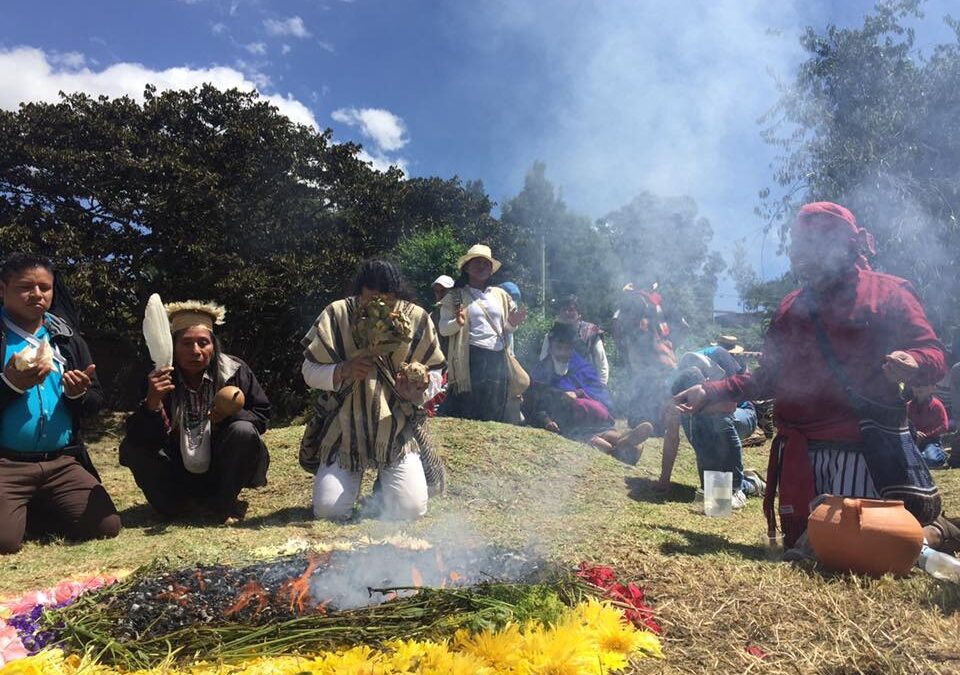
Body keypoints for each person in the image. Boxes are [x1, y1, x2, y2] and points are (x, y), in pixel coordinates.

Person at [674, 202, 946, 551]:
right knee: (810, 548)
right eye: (797, 242)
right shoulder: (790, 309)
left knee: (860, 548)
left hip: (862, 452)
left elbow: (934, 354)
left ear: (844, 245)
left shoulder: (889, 293)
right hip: (801, 456)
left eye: (811, 242)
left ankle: (936, 533)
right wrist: (708, 391)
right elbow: (768, 378)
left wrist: (916, 361)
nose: (798, 253)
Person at [300, 259, 445, 521]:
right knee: (329, 511)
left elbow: (436, 373)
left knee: (410, 510)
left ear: (396, 296)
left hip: (396, 431)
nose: (378, 308)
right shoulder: (337, 314)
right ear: (359, 292)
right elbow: (308, 371)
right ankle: (348, 478)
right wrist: (341, 370)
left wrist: (418, 390)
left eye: (386, 301)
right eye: (370, 300)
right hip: (344, 431)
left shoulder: (416, 317)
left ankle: (384, 486)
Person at [0, 253, 120, 553]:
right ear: (2, 289)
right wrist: (10, 385)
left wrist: (78, 394)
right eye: (26, 287)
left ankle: (32, 507)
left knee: (106, 526)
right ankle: (19, 509)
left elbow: (95, 403)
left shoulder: (67, 339)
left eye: (45, 287)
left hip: (60, 461)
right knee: (4, 543)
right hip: (6, 463)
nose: (37, 295)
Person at [120, 301, 271, 525]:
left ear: (214, 345)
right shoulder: (156, 377)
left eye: (203, 343)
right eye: (186, 343)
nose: (196, 351)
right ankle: (173, 507)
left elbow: (261, 416)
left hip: (221, 468)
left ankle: (224, 503)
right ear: (173, 346)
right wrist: (152, 402)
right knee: (132, 447)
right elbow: (136, 436)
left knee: (242, 431)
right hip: (175, 470)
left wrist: (228, 416)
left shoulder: (235, 371)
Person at [439, 244, 527, 422]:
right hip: (471, 356)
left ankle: (493, 443)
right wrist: (457, 322)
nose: (482, 267)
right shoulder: (455, 296)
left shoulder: (501, 295)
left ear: (491, 270)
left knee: (495, 405)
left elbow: (507, 329)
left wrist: (512, 323)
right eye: (477, 262)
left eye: (486, 264)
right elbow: (442, 328)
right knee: (470, 406)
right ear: (466, 267)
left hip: (498, 356)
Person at [525, 323, 620, 451]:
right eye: (559, 348)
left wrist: (579, 393)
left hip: (595, 422)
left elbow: (599, 391)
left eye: (567, 348)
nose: (564, 353)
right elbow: (534, 404)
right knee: (604, 444)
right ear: (551, 347)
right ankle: (621, 448)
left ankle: (624, 442)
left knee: (609, 433)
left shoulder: (583, 367)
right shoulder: (540, 372)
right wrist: (546, 421)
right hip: (567, 425)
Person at [538, 294, 610, 385]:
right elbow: (543, 364)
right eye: (564, 309)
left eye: (571, 310)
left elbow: (602, 365)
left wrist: (600, 389)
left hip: (586, 388)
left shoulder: (591, 333)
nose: (567, 313)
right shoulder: (551, 336)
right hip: (557, 387)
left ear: (579, 314)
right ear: (559, 313)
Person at [908, 384, 949, 468]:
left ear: (932, 388)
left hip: (931, 441)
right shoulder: (908, 406)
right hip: (912, 441)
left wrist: (926, 435)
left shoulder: (937, 405)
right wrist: (913, 433)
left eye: (924, 384)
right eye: (916, 384)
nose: (919, 387)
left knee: (931, 459)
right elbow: (903, 424)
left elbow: (944, 426)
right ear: (912, 387)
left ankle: (940, 455)